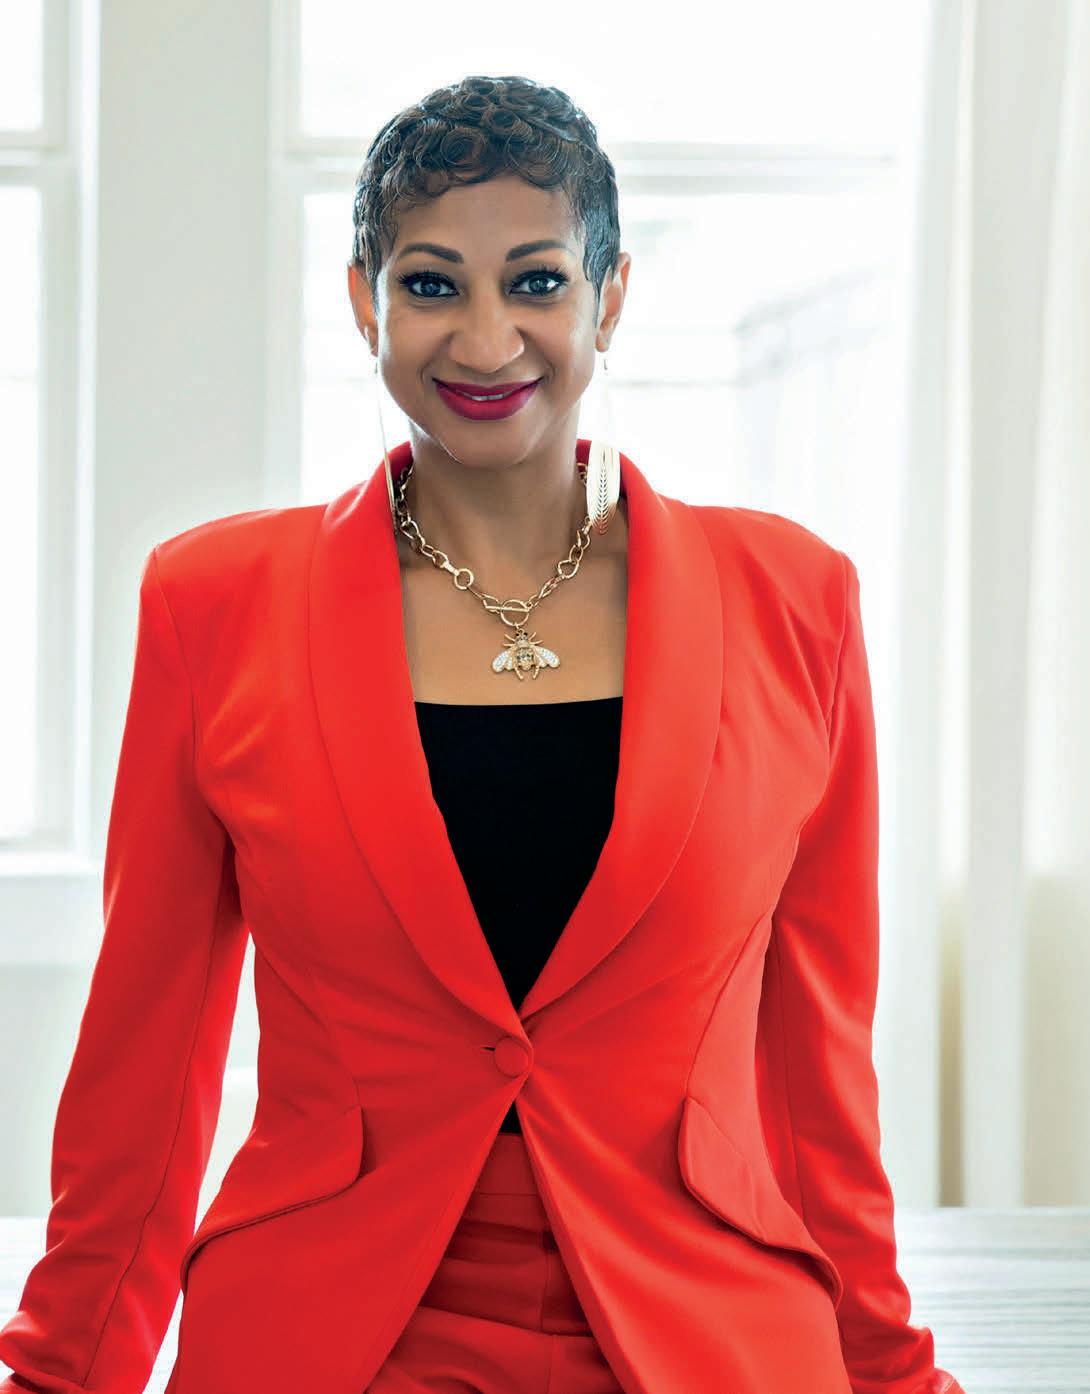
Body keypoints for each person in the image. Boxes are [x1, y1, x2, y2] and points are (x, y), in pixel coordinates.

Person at [0, 74, 966, 1394]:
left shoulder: (795, 603)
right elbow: (146, 1064)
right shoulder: (212, 606)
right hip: (331, 1333)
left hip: (703, 1326)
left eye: (536, 282)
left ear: (609, 298)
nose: (486, 338)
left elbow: (816, 1072)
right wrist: (59, 1377)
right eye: (431, 285)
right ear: (366, 302)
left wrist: (887, 1373)